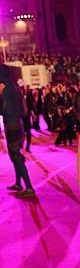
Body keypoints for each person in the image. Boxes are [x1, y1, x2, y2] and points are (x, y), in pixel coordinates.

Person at [0, 65, 35, 197]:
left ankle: (29, 187)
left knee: (16, 157)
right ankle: (18, 183)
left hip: (13, 126)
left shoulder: (6, 89)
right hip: (16, 126)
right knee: (14, 157)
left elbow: (6, 110)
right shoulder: (13, 86)